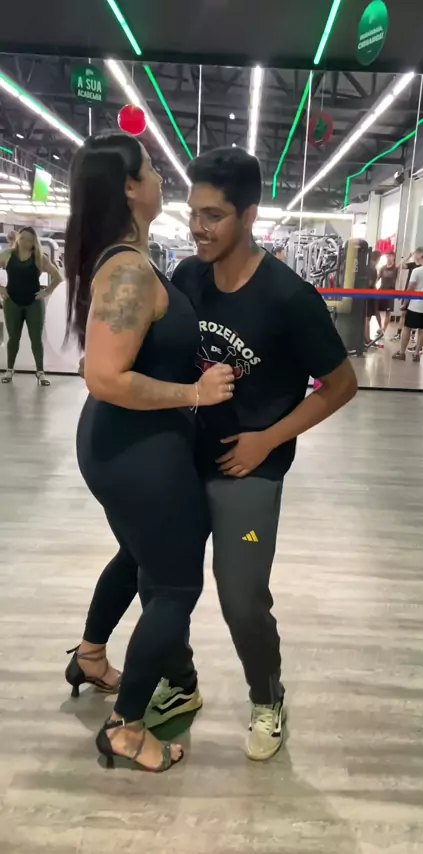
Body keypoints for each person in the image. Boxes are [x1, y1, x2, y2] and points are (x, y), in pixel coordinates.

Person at [146, 146, 357, 761]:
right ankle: (181, 684)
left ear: (249, 215)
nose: (198, 227)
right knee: (161, 583)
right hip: (185, 459)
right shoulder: (188, 277)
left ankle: (268, 699)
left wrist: (270, 437)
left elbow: (342, 385)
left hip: (252, 469)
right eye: (193, 213)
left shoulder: (289, 297)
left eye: (213, 215)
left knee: (241, 598)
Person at [64, 132, 234, 772]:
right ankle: (127, 729)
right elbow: (104, 376)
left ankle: (89, 656)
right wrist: (195, 392)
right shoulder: (129, 270)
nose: (163, 177)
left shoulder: (131, 260)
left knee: (137, 555)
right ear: (131, 188)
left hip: (124, 443)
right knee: (175, 586)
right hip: (136, 449)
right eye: (152, 169)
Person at [0, 226, 61, 385]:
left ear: (34, 242)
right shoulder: (7, 254)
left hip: (34, 303)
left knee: (36, 339)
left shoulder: (39, 258)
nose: (25, 242)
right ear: (18, 239)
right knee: (13, 338)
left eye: (29, 240)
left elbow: (57, 277)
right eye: (23, 238)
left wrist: (46, 291)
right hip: (12, 301)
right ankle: (9, 370)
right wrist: (0, 288)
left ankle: (40, 372)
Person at [393, 251, 423, 362]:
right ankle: (416, 354)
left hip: (415, 305)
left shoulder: (417, 271)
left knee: (407, 328)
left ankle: (402, 353)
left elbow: (410, 288)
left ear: (422, 259)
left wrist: (405, 303)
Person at [391, 247, 423, 342]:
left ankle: (413, 335)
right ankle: (398, 333)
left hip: (417, 293)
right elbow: (398, 266)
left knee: (416, 315)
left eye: (417, 254)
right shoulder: (413, 265)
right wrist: (408, 256)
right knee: (403, 313)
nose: (415, 256)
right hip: (408, 291)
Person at [376, 251, 397, 334]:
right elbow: (377, 278)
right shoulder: (383, 268)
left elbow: (403, 265)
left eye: (390, 256)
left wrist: (408, 257)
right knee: (376, 309)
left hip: (390, 292)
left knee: (388, 312)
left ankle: (384, 329)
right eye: (387, 256)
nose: (388, 258)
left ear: (393, 257)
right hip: (381, 291)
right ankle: (380, 327)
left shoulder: (395, 268)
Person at [364, 249, 382, 344]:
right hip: (370, 294)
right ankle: (367, 339)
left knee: (367, 317)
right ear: (377, 258)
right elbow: (370, 283)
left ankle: (365, 337)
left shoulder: (367, 267)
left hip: (366, 294)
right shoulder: (372, 269)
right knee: (367, 317)